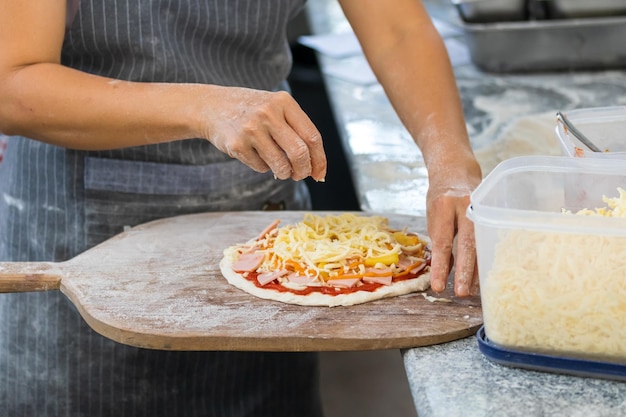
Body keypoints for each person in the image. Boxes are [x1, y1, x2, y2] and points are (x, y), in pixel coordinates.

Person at [0, 0, 481, 415]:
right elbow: (13, 84)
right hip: (86, 224)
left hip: (267, 222)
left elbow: (397, 28)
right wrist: (206, 107)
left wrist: (451, 163)